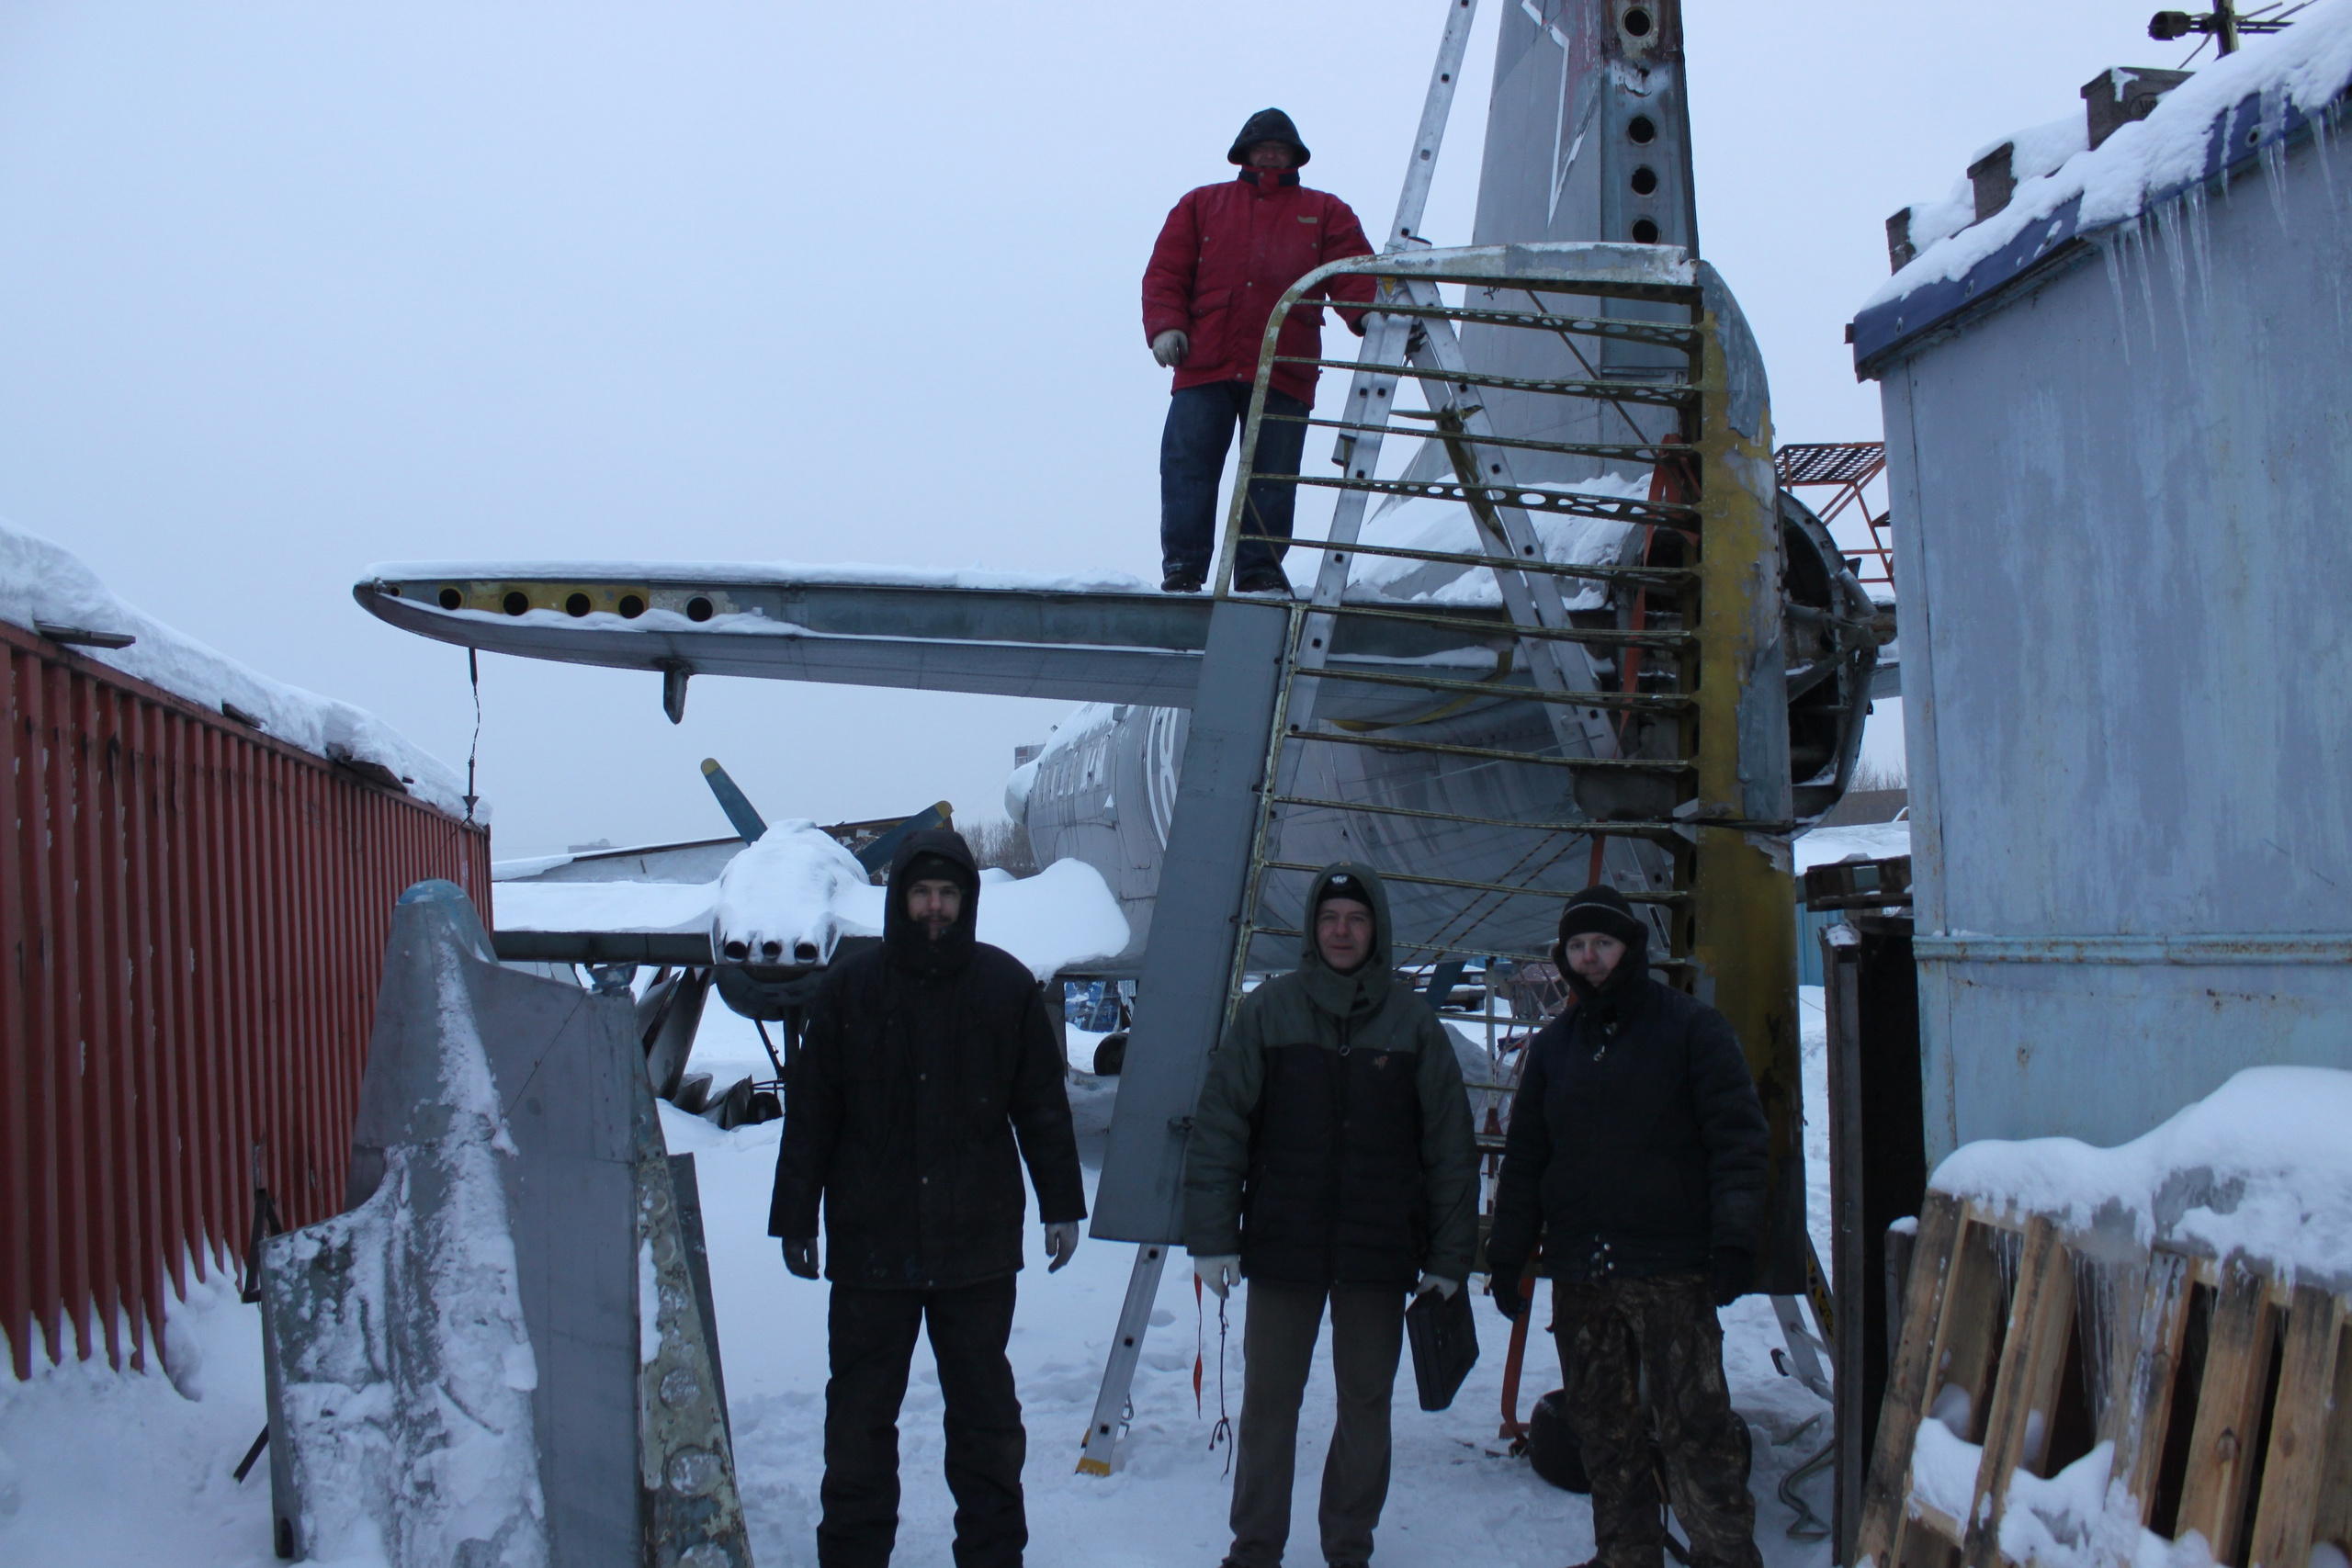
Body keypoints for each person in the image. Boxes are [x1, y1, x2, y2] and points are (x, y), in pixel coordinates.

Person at [769, 829, 1087, 1568]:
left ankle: (991, 1553)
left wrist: (1062, 1204)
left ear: (967, 899)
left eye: (948, 894)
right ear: (899, 899)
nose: (935, 907)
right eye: (922, 893)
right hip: (869, 1249)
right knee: (857, 1424)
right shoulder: (850, 990)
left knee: (985, 1424)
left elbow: (1042, 1106)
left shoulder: (1005, 988)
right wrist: (796, 1216)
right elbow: (813, 1112)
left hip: (975, 1248)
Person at [1182, 863, 1480, 1568]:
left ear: (1375, 928)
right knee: (1268, 1405)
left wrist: (1448, 1256)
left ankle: (1349, 1545)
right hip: (1285, 1245)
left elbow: (1449, 1147)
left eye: (1355, 918)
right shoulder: (1270, 1012)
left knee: (1366, 1405)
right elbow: (1222, 1125)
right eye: (1330, 918)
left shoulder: (1412, 1024)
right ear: (1313, 928)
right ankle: (1254, 1548)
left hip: (1378, 1253)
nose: (1342, 931)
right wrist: (1214, 1237)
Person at [1484, 886, 1772, 1568]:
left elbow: (1738, 1137)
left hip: (1669, 1267)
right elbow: (1527, 1159)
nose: (1590, 959)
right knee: (1604, 1431)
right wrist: (1508, 1252)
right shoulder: (1554, 1049)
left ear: (1629, 949)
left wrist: (1734, 1238)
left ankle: (1724, 1555)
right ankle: (1627, 1553)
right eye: (1577, 948)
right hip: (1583, 1269)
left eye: (1602, 945)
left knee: (1696, 1428)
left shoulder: (1690, 1030)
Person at [1142, 108, 1376, 596]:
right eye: (1262, 147)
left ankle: (1259, 570)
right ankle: (1183, 567)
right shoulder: (1202, 205)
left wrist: (1367, 312)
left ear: (1295, 156)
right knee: (1188, 466)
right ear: (1244, 153)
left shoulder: (1326, 211)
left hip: (1284, 367)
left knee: (1271, 473)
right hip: (1204, 365)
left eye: (1280, 148)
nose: (1270, 154)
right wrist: (1165, 328)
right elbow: (1166, 272)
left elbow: (1353, 270)